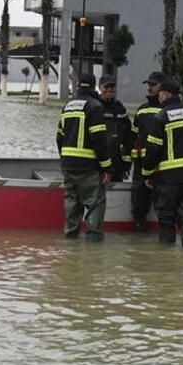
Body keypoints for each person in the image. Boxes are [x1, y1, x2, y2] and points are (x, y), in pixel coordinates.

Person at [141, 77, 183, 247]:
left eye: (160, 93)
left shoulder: (161, 116)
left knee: (166, 216)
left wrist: (146, 173)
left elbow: (153, 148)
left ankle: (167, 255)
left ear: (167, 94)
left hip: (169, 177)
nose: (159, 97)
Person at [56, 72, 113, 241]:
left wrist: (65, 158)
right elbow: (99, 140)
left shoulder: (67, 106)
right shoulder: (95, 106)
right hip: (88, 166)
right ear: (95, 86)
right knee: (95, 203)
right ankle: (94, 243)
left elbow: (59, 137)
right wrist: (106, 167)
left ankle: (70, 238)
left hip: (68, 165)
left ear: (78, 86)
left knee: (72, 202)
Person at [127, 71, 165, 232]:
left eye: (153, 85)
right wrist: (127, 162)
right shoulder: (141, 110)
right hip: (141, 166)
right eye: (148, 84)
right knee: (139, 204)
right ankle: (139, 236)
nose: (149, 88)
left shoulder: (168, 110)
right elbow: (133, 137)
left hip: (162, 166)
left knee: (163, 204)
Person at [98, 74, 132, 182]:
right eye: (106, 87)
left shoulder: (120, 109)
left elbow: (129, 136)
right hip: (97, 162)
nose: (109, 90)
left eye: (112, 87)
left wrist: (126, 163)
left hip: (116, 160)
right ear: (100, 87)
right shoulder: (95, 107)